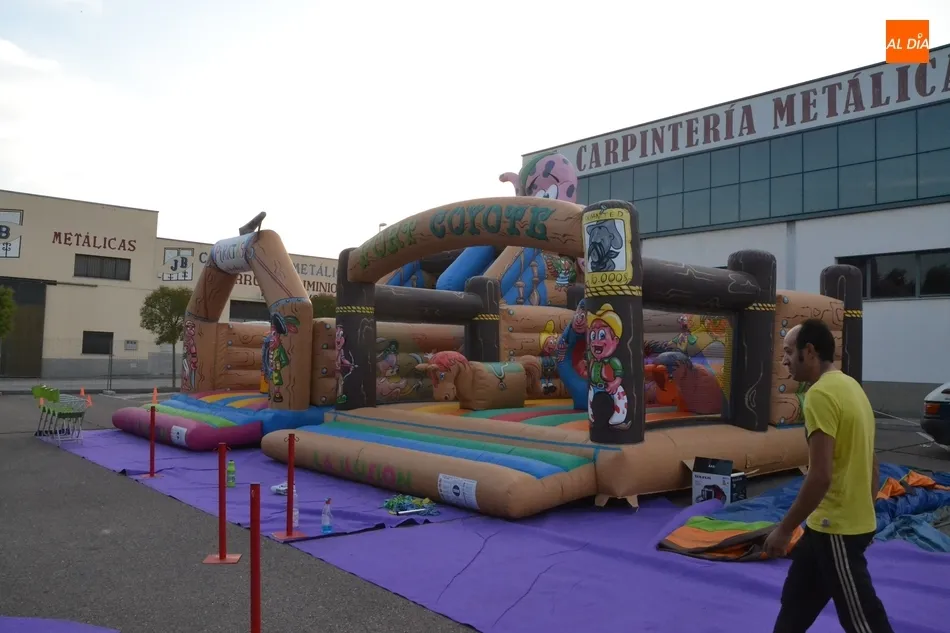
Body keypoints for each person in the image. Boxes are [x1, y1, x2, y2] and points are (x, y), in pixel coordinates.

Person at [765, 318, 893, 633]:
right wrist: (866, 512)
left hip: (836, 528)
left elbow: (820, 476)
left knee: (864, 619)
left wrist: (784, 529)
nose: (784, 360)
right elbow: (872, 461)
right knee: (795, 605)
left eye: (789, 352)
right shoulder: (852, 387)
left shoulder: (820, 395)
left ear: (809, 351)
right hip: (828, 526)